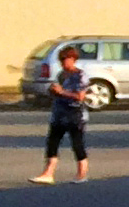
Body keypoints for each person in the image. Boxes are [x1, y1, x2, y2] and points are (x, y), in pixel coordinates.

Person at [30, 46, 90, 184]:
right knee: (52, 142)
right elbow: (58, 92)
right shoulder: (61, 75)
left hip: (75, 115)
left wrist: (62, 92)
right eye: (61, 60)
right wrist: (53, 92)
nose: (63, 63)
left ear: (73, 59)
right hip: (59, 113)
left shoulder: (80, 75)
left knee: (77, 144)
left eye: (65, 59)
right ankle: (48, 173)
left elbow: (80, 96)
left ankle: (81, 175)